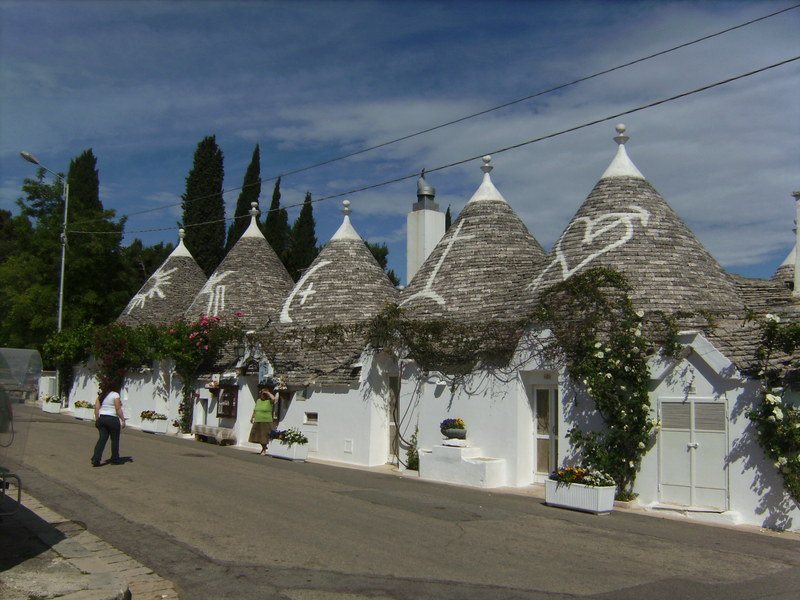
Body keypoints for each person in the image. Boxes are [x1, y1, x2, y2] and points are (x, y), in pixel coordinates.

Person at [91, 381, 126, 466]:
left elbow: (97, 409)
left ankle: (96, 458)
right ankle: (115, 458)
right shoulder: (115, 395)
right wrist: (123, 419)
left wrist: (97, 419)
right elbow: (118, 408)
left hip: (102, 418)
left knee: (102, 439)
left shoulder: (101, 396)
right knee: (114, 440)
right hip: (112, 419)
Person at [249, 383, 278, 455]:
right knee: (257, 435)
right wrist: (252, 417)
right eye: (262, 394)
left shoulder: (269, 401)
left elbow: (274, 398)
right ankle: (263, 447)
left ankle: (264, 449)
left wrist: (267, 392)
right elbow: (255, 409)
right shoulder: (258, 401)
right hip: (258, 419)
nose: (263, 395)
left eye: (264, 394)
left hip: (266, 420)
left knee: (264, 436)